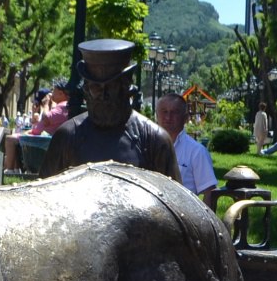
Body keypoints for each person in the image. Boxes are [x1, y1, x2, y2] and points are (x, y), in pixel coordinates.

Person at [38, 45, 177, 181]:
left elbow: (174, 201)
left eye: (111, 86)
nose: (103, 96)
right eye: (96, 87)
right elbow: (43, 197)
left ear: (127, 87)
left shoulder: (154, 141)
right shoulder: (67, 137)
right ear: (86, 89)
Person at [156, 92, 219, 211]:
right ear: (157, 115)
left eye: (174, 112)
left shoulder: (196, 151)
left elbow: (209, 192)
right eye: (164, 112)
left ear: (185, 118)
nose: (168, 117)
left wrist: (204, 226)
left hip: (182, 218)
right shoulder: (146, 146)